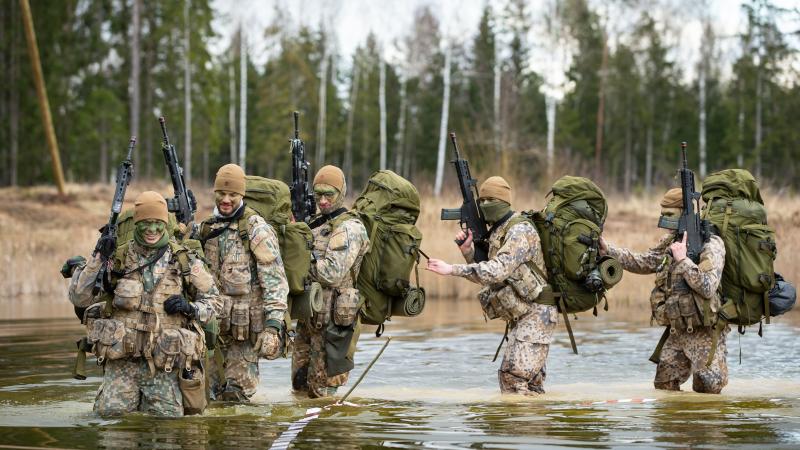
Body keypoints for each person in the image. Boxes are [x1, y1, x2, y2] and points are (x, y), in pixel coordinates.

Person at [69, 191, 218, 417]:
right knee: (110, 421)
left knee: (169, 426)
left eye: (158, 223)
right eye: (146, 223)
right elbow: (80, 297)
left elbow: (215, 301)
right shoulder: (116, 258)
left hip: (165, 367)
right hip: (122, 367)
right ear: (136, 223)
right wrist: (98, 257)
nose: (152, 229)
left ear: (165, 224)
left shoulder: (184, 260)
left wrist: (191, 308)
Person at [426, 176, 557, 395]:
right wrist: (469, 252)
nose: (486, 205)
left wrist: (452, 269)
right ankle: (535, 416)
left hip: (537, 314)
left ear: (505, 202)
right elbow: (490, 275)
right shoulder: (499, 230)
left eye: (492, 200)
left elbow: (497, 270)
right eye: (483, 200)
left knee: (513, 379)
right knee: (526, 384)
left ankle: (523, 417)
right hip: (524, 313)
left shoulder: (519, 231)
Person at [599, 188, 728, 393]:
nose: (664, 219)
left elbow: (708, 287)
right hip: (678, 330)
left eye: (669, 214)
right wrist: (609, 250)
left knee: (708, 387)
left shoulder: (711, 244)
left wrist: (683, 260)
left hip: (705, 332)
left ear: (683, 214)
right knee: (664, 386)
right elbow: (644, 262)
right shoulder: (670, 242)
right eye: (663, 213)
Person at [199, 164, 289, 401]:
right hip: (213, 330)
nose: (226, 200)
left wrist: (273, 326)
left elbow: (275, 280)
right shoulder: (206, 228)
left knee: (236, 398)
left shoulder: (256, 229)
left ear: (242, 195)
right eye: (221, 193)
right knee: (208, 398)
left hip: (245, 332)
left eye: (233, 195)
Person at [291, 165, 370, 398]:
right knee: (299, 387)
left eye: (329, 195)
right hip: (308, 316)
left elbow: (331, 273)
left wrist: (300, 262)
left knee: (323, 392)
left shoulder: (350, 228)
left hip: (334, 321)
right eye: (318, 195)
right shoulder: (315, 224)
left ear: (341, 193)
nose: (323, 201)